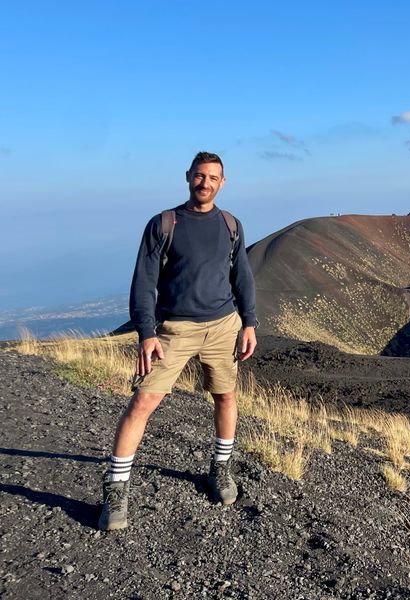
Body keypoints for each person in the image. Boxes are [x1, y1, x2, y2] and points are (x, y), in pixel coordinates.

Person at [99, 152, 258, 531]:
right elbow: (143, 281)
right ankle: (117, 487)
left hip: (222, 326)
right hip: (173, 329)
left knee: (226, 396)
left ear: (223, 182)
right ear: (188, 177)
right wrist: (147, 333)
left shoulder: (231, 224)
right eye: (200, 176)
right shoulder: (164, 223)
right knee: (144, 401)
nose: (205, 183)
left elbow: (243, 276)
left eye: (213, 177)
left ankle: (220, 468)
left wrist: (249, 322)